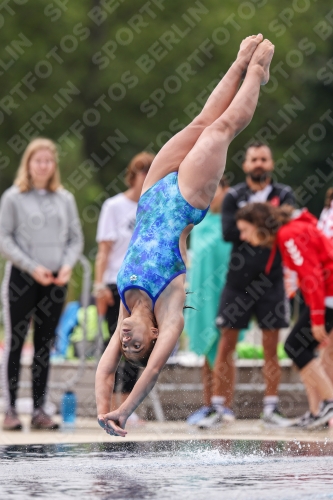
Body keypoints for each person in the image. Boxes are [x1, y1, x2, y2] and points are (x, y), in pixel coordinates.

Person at [95, 35, 275, 437]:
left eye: (125, 344)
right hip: (185, 200)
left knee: (199, 121)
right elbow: (154, 368)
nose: (126, 340)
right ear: (154, 335)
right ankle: (257, 73)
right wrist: (124, 411)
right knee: (219, 130)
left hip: (152, 192)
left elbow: (105, 368)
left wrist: (102, 409)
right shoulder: (169, 313)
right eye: (135, 345)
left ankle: (241, 59)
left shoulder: (126, 307)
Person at [198, 142, 295, 429]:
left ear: (271, 163)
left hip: (272, 281)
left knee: (270, 347)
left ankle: (271, 407)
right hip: (237, 282)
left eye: (264, 159)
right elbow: (229, 232)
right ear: (245, 164)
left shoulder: (284, 193)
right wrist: (268, 220)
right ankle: (219, 407)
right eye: (254, 159)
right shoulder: (234, 195)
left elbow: (287, 228)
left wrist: (252, 220)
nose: (259, 164)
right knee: (226, 344)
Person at [0, 138, 83, 431]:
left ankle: (39, 409)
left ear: (53, 166)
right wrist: (31, 267)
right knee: (16, 343)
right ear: (29, 164)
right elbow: (4, 239)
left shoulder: (64, 198)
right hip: (23, 278)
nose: (44, 165)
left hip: (55, 279)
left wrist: (66, 265)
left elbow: (75, 238)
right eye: (38, 160)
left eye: (48, 161)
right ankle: (9, 408)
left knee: (45, 345)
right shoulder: (13, 198)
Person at [235, 202, 333, 429]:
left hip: (328, 296)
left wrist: (317, 317)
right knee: (303, 350)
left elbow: (313, 276)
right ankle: (317, 411)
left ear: (259, 226)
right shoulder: (290, 230)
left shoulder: (290, 234)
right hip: (326, 295)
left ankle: (328, 401)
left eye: (245, 230)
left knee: (294, 347)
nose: (243, 237)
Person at [94, 152, 154, 421]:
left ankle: (125, 404)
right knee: (115, 342)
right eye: (142, 170)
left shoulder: (154, 206)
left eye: (151, 170)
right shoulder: (114, 206)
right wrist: (98, 285)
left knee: (136, 344)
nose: (146, 175)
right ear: (133, 174)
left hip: (143, 286)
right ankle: (108, 403)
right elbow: (104, 250)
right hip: (115, 282)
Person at [184, 176, 237, 425]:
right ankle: (208, 405)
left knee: (226, 351)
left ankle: (224, 404)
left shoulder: (232, 223)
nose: (212, 195)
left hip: (227, 294)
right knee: (207, 351)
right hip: (203, 297)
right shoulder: (199, 222)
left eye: (217, 190)